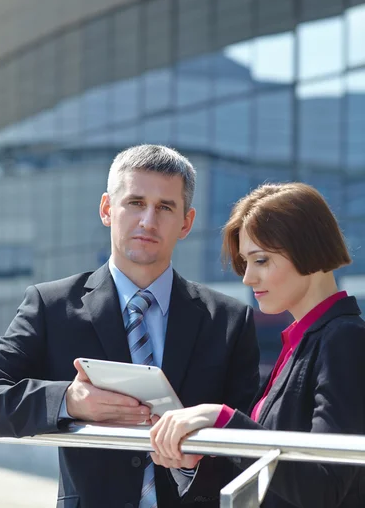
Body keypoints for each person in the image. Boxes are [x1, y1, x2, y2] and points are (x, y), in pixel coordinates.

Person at [0, 144, 260, 508]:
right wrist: (68, 401)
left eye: (165, 207)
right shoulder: (52, 305)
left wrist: (192, 466)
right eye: (135, 203)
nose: (148, 221)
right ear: (107, 209)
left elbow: (248, 444)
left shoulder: (229, 320)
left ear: (186, 222)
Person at [150, 182, 365, 508]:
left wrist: (222, 418)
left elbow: (324, 486)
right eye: (245, 263)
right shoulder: (302, 343)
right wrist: (199, 455)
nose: (247, 278)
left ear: (309, 249)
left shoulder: (343, 340)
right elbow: (279, 475)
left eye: (261, 261)